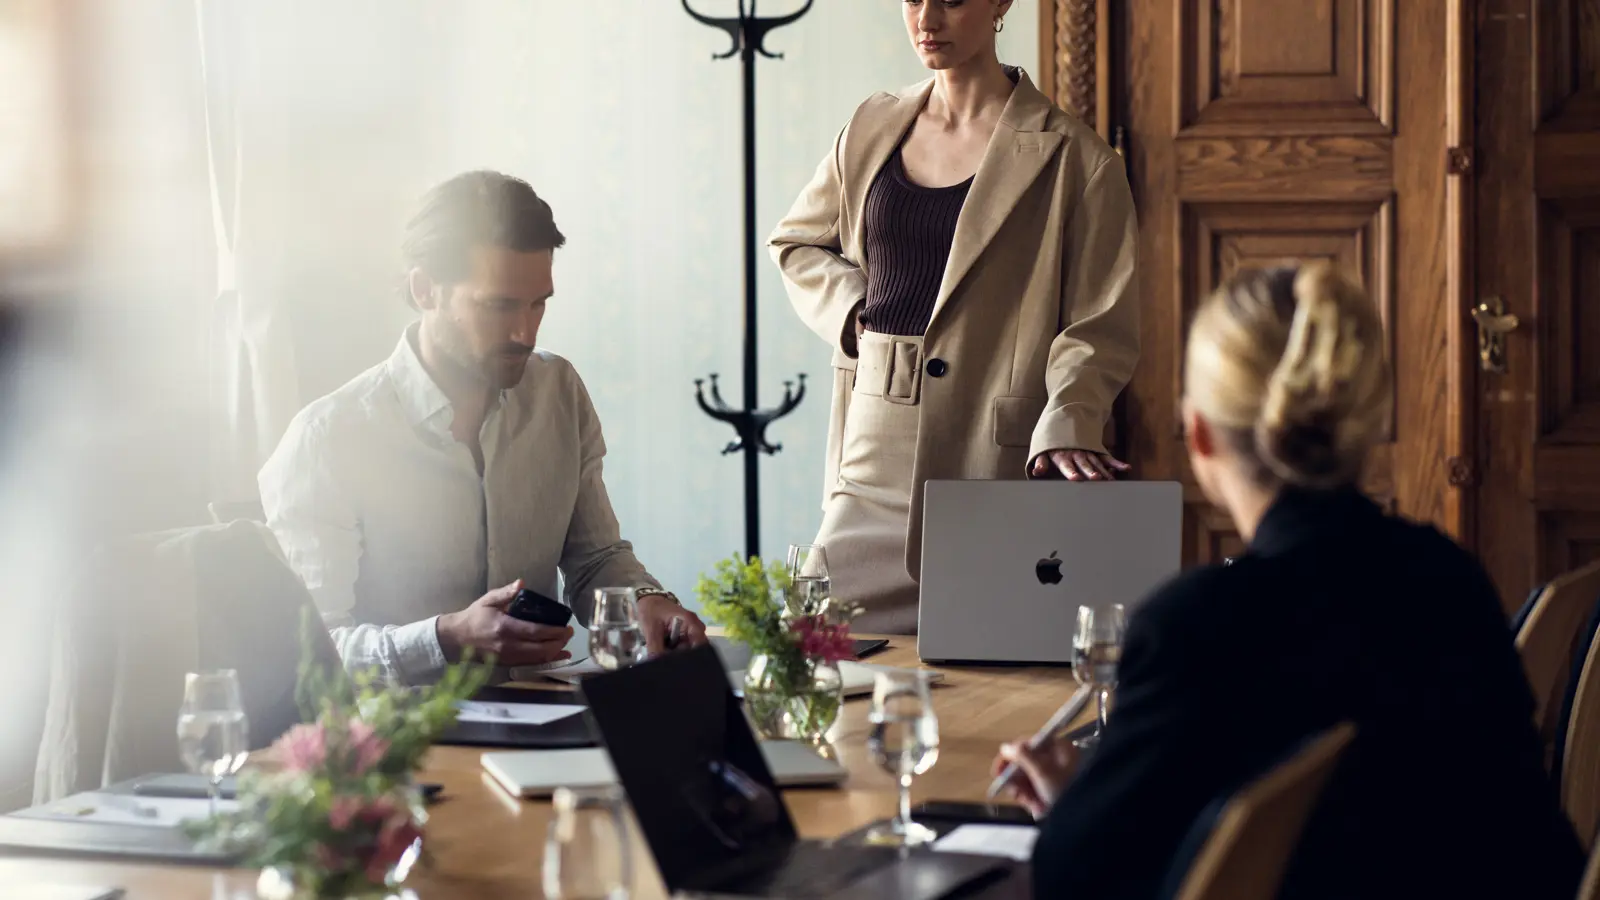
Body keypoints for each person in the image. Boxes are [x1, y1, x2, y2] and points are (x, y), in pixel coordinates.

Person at [992, 265, 1585, 899]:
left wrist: (1082, 798)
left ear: (1199, 435)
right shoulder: (1447, 578)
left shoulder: (1199, 626)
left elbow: (1076, 876)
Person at [769, 0, 1139, 633]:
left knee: (983, 662)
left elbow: (1098, 321)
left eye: (952, 0)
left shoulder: (1076, 157)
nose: (927, 19)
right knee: (820, 649)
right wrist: (855, 306)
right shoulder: (870, 128)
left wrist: (1071, 417)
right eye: (912, 0)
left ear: (1000, 4)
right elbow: (796, 243)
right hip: (872, 442)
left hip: (987, 449)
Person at [260, 170, 705, 685]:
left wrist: (648, 602)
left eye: (539, 302)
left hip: (550, 724)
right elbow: (313, 653)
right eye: (499, 306)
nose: (525, 330)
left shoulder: (558, 391)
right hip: (406, 744)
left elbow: (593, 559)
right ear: (425, 289)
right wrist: (446, 638)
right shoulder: (329, 439)